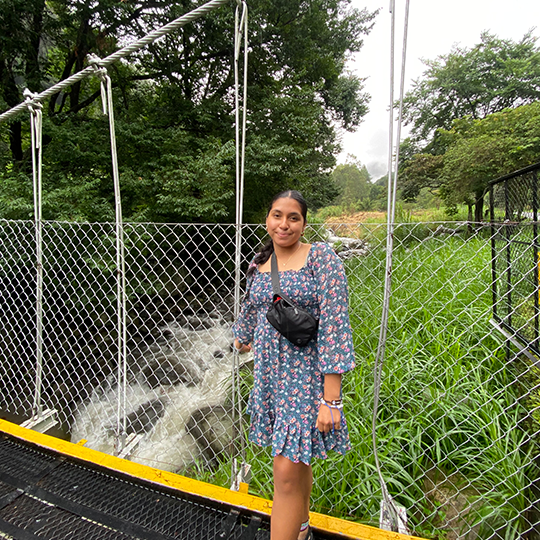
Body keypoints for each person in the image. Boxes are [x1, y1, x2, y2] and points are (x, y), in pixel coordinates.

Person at [233, 190, 355, 540]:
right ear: (267, 219)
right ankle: (301, 529)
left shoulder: (321, 258)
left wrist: (332, 399)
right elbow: (253, 310)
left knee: (284, 471)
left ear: (304, 223)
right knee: (295, 464)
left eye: (293, 217)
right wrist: (241, 337)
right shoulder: (259, 264)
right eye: (276, 215)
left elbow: (335, 325)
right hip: (269, 377)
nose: (283, 224)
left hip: (305, 379)